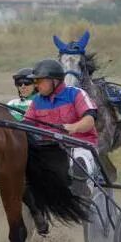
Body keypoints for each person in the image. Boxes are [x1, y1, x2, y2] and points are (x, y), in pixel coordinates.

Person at [24, 59, 99, 197]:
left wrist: (73, 127)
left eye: (39, 81)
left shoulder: (76, 94)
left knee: (79, 163)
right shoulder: (36, 101)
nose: (36, 85)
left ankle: (83, 193)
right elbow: (26, 125)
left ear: (54, 80)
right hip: (50, 151)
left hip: (80, 147)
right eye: (35, 82)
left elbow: (89, 120)